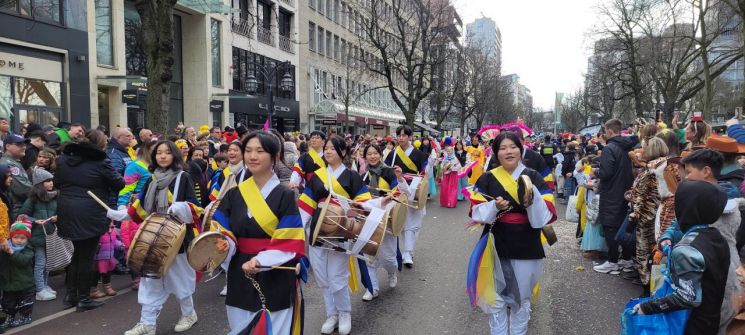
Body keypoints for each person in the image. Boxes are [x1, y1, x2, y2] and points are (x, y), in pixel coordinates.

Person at [210, 130, 306, 335]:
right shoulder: (234, 193)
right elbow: (221, 229)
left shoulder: (285, 195)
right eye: (249, 151)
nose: (252, 156)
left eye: (260, 151)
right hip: (239, 269)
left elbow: (289, 241)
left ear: (275, 157)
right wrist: (224, 243)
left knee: (275, 328)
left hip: (275, 270)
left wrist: (260, 261)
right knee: (241, 327)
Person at [105, 140, 203, 335]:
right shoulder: (151, 179)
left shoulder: (183, 177)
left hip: (178, 237)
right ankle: (147, 323)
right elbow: (141, 208)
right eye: (159, 153)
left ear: (175, 155)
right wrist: (121, 214)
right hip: (153, 238)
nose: (163, 156)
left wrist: (183, 208)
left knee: (180, 279)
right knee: (150, 280)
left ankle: (189, 314)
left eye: (167, 152)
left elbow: (196, 207)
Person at [468, 132, 557, 335]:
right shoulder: (487, 178)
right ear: (496, 153)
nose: (508, 152)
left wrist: (531, 198)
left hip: (527, 242)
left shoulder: (534, 177)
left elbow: (546, 216)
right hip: (494, 240)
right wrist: (494, 207)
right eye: (502, 148)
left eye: (513, 147)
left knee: (521, 298)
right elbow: (475, 212)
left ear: (521, 148)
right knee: (495, 297)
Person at [634, 180, 729, 335]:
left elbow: (688, 297)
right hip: (710, 318)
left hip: (688, 324)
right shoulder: (717, 237)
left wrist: (647, 307)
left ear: (687, 207)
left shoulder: (686, 249)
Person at [298, 135, 371, 335]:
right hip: (317, 230)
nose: (328, 151)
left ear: (343, 152)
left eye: (333, 148)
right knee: (322, 276)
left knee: (337, 276)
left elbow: (364, 202)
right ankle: (332, 314)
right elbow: (305, 206)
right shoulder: (316, 176)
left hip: (341, 230)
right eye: (326, 148)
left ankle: (345, 312)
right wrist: (297, 230)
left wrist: (354, 209)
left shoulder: (352, 176)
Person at [55, 129, 124, 312]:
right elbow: (119, 183)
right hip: (90, 210)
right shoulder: (101, 161)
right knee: (86, 256)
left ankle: (71, 295)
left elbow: (57, 183)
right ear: (101, 145)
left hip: (67, 208)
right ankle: (83, 298)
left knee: (76, 254)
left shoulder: (63, 159)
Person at [361, 143, 405, 301]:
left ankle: (392, 272)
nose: (372, 156)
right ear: (365, 157)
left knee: (388, 258)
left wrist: (387, 197)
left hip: (386, 217)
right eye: (369, 154)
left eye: (375, 153)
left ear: (380, 155)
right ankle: (372, 288)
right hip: (368, 217)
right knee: (368, 255)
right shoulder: (363, 175)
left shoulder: (388, 171)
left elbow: (396, 192)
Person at [592, 119, 635, 274]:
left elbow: (606, 172)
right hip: (625, 191)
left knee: (610, 226)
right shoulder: (628, 147)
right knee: (622, 225)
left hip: (611, 192)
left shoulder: (610, 148)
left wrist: (595, 171)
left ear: (609, 131)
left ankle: (612, 261)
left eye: (605, 130)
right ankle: (627, 259)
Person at [384, 126, 428, 267]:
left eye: (404, 135)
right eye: (399, 135)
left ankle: (408, 252)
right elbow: (387, 171)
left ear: (410, 137)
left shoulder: (419, 154)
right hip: (397, 189)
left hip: (413, 190)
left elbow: (425, 174)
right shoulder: (392, 154)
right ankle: (406, 250)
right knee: (400, 220)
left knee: (411, 222)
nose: (401, 137)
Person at [628, 137, 667, 295]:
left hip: (647, 217)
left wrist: (635, 215)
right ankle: (652, 289)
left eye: (645, 148)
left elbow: (642, 197)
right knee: (653, 253)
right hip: (656, 215)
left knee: (645, 254)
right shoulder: (664, 165)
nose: (642, 151)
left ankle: (648, 291)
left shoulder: (653, 169)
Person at [17, 168, 58, 301]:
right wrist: (35, 221)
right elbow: (22, 216)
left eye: (51, 180)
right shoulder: (33, 200)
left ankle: (44, 285)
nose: (51, 183)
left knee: (48, 263)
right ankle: (39, 288)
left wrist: (57, 218)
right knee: (41, 262)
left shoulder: (54, 198)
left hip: (50, 235)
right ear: (40, 184)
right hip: (37, 236)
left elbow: (59, 213)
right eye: (47, 181)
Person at [0, 222, 35, 329]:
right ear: (11, 237)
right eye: (16, 237)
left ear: (27, 239)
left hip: (25, 283)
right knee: (8, 303)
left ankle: (26, 317)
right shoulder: (5, 247)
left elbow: (22, 261)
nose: (19, 240)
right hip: (9, 283)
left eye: (22, 238)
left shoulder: (28, 250)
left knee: (25, 303)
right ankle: (9, 317)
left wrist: (11, 252)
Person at [0, 134, 32, 217]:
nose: (24, 147)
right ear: (8, 146)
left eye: (24, 144)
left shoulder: (13, 162)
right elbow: (21, 188)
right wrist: (40, 193)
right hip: (16, 209)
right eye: (19, 145)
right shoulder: (7, 164)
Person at [440, 138, 463, 208]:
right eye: (447, 151)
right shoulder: (445, 158)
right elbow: (442, 165)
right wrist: (443, 167)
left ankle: (451, 202)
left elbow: (459, 167)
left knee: (452, 189)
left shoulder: (455, 158)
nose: (449, 152)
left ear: (452, 151)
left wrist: (452, 168)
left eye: (450, 151)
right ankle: (445, 202)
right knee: (445, 188)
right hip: (446, 175)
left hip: (452, 175)